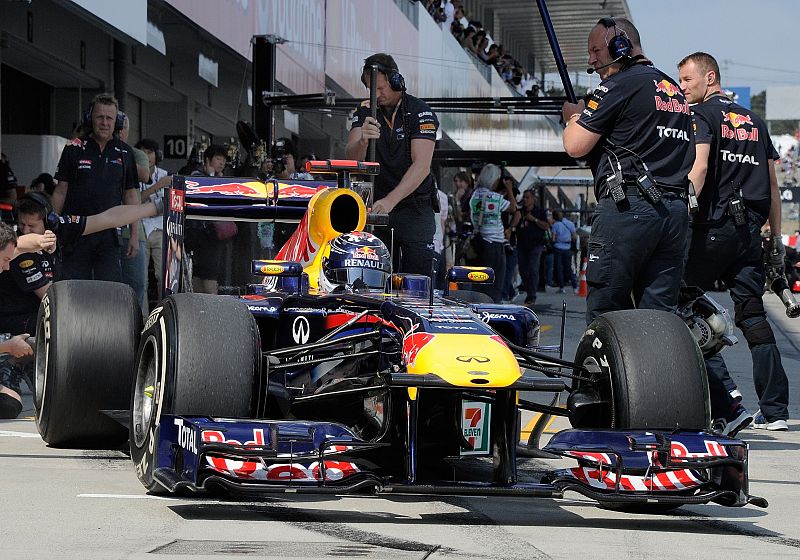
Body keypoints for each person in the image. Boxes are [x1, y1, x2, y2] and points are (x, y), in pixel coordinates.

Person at [678, 52, 789, 432]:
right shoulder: (755, 122)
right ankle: (775, 412)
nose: (682, 87)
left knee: (679, 308)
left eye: (688, 80)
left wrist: (680, 214)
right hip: (750, 235)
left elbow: (701, 167)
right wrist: (775, 240)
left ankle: (728, 400)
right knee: (754, 318)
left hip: (711, 230)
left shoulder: (703, 116)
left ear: (710, 78)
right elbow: (773, 187)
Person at [561, 17, 694, 325]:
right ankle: (657, 375)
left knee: (607, 315)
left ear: (621, 45)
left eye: (596, 50)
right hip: (673, 213)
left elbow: (575, 145)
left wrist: (572, 116)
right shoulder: (672, 89)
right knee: (659, 319)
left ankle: (605, 375)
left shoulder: (619, 84)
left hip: (628, 207)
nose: (591, 59)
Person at [0, 192, 163, 337]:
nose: (25, 231)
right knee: (74, 326)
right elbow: (50, 298)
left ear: (49, 222)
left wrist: (155, 208)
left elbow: (106, 219)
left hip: (44, 314)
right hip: (19, 319)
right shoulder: (15, 251)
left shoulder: (57, 227)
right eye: (22, 225)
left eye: (32, 226)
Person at [346, 53, 439, 277]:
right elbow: (351, 158)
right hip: (377, 209)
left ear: (396, 81)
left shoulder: (420, 111)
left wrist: (390, 201)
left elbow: (422, 166)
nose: (376, 95)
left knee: (416, 280)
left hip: (414, 209)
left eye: (380, 88)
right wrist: (363, 140)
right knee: (374, 279)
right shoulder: (366, 112)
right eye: (370, 89)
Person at [52, 93, 140, 281]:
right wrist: (52, 226)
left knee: (108, 290)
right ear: (90, 117)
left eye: (110, 118)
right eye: (100, 117)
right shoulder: (74, 148)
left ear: (117, 122)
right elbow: (60, 191)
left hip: (109, 235)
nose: (104, 122)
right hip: (76, 232)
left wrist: (134, 234)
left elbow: (131, 195)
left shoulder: (125, 152)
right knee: (74, 288)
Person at [469, 164, 516, 303]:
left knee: (480, 281)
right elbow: (513, 208)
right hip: (495, 244)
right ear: (494, 179)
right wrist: (509, 189)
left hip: (479, 242)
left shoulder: (475, 195)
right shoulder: (495, 197)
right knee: (495, 282)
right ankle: (491, 308)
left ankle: (478, 306)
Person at [187, 145, 229, 294]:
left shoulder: (223, 178)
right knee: (205, 274)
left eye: (224, 160)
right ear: (207, 160)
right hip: (200, 232)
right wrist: (211, 179)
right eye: (218, 159)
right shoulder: (197, 176)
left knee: (206, 273)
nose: (221, 163)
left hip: (214, 234)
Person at [135, 139, 171, 301]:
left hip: (159, 229)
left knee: (163, 276)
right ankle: (140, 316)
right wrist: (155, 187)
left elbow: (166, 205)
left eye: (149, 152)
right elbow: (135, 200)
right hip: (140, 228)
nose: (146, 156)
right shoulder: (133, 175)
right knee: (140, 278)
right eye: (142, 152)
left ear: (157, 155)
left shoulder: (164, 175)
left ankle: (162, 311)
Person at [516, 189, 549, 306]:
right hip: (522, 244)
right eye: (524, 197)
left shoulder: (539, 211)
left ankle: (532, 295)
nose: (525, 200)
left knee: (533, 269)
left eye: (527, 197)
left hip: (536, 245)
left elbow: (546, 226)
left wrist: (534, 219)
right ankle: (528, 290)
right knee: (523, 270)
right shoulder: (520, 211)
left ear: (533, 199)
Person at [551, 210, 578, 294]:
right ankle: (575, 287)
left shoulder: (555, 225)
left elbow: (553, 238)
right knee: (568, 268)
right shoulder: (570, 224)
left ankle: (562, 287)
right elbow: (574, 236)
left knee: (559, 268)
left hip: (558, 247)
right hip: (567, 247)